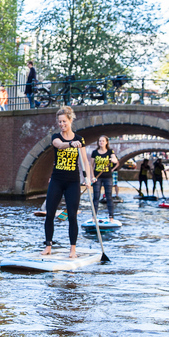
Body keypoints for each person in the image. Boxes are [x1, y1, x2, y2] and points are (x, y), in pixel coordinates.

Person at [43, 106, 92, 259]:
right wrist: (71, 144)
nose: (62, 124)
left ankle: (72, 250)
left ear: (70, 120)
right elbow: (59, 145)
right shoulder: (56, 137)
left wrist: (88, 178)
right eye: (60, 122)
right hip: (57, 180)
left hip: (73, 182)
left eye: (64, 121)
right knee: (50, 213)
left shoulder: (80, 139)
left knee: (72, 215)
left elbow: (84, 160)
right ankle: (48, 246)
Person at [91, 135, 119, 221]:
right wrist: (92, 177)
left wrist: (112, 159)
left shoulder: (110, 152)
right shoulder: (95, 152)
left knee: (108, 196)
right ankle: (94, 216)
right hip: (97, 177)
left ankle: (111, 216)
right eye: (100, 141)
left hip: (107, 177)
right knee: (96, 196)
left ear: (106, 142)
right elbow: (91, 166)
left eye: (103, 141)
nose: (101, 143)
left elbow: (115, 160)